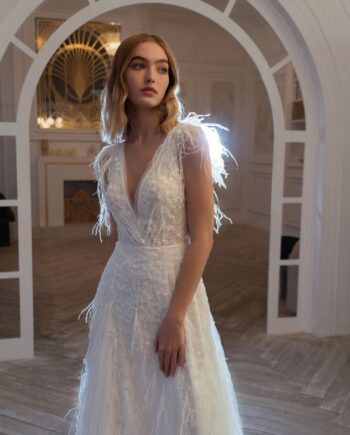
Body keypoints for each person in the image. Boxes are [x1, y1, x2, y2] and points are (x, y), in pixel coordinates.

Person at [64, 32, 244, 435]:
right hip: (119, 296)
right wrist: (116, 299)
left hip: (172, 293)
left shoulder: (188, 142)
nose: (152, 76)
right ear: (121, 78)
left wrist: (175, 318)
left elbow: (202, 238)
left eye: (162, 68)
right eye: (139, 65)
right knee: (123, 401)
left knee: (179, 398)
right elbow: (122, 238)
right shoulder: (109, 158)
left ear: (170, 80)